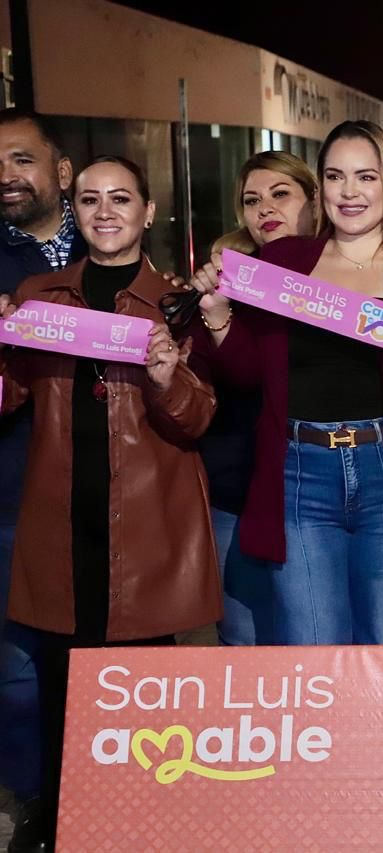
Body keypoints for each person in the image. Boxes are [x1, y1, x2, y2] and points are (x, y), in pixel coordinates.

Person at [0, 155, 219, 848]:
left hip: (147, 526)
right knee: (61, 682)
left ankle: (142, 822)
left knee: (140, 691)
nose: (105, 212)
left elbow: (197, 419)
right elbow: (8, 396)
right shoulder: (40, 296)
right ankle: (62, 818)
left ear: (147, 212)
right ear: (76, 209)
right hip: (61, 518)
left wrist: (166, 377)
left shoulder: (177, 301)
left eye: (121, 198)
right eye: (91, 199)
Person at [189, 120, 383, 645]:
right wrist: (219, 315)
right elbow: (249, 373)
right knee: (315, 658)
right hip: (301, 477)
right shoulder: (283, 262)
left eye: (365, 176)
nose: (349, 191)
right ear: (321, 188)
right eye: (336, 176)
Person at [0, 108, 85, 852]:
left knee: (98, 658)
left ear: (61, 171)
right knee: (17, 666)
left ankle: (104, 794)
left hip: (98, 492)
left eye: (21, 159)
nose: (6, 176)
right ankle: (37, 800)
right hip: (8, 494)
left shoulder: (110, 236)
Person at [196, 152, 318, 647]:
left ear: (314, 201)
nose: (265, 208)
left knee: (314, 641)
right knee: (243, 638)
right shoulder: (227, 276)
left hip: (318, 488)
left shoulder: (341, 275)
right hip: (239, 487)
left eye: (280, 194)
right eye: (252, 200)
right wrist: (215, 313)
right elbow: (237, 376)